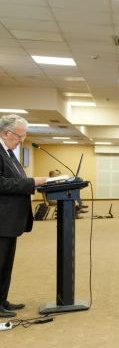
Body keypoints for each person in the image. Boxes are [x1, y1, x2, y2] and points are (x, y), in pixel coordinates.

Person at [0, 114, 48, 318]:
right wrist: (32, 182)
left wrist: (31, 182)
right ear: (5, 132)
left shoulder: (9, 153)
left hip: (10, 220)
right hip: (2, 219)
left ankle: (2, 300)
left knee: (6, 264)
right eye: (19, 136)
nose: (21, 140)